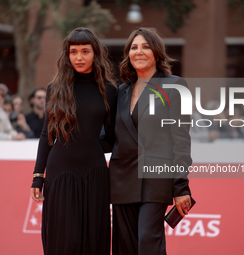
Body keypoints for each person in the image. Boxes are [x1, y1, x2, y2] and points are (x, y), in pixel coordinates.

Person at [30, 27, 117, 255]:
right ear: (67, 55)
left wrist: (90, 147)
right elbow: (47, 134)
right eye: (73, 52)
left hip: (95, 173)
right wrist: (38, 176)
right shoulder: (55, 89)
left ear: (95, 54)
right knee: (64, 240)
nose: (79, 57)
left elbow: (112, 136)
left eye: (85, 51)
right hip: (60, 172)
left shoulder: (109, 90)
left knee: (92, 239)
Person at [109, 28, 192, 255]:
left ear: (157, 53)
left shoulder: (174, 85)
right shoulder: (121, 92)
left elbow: (181, 139)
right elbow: (109, 137)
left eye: (145, 46)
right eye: (134, 47)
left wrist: (180, 186)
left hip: (156, 178)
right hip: (122, 178)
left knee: (148, 241)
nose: (139, 52)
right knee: (125, 246)